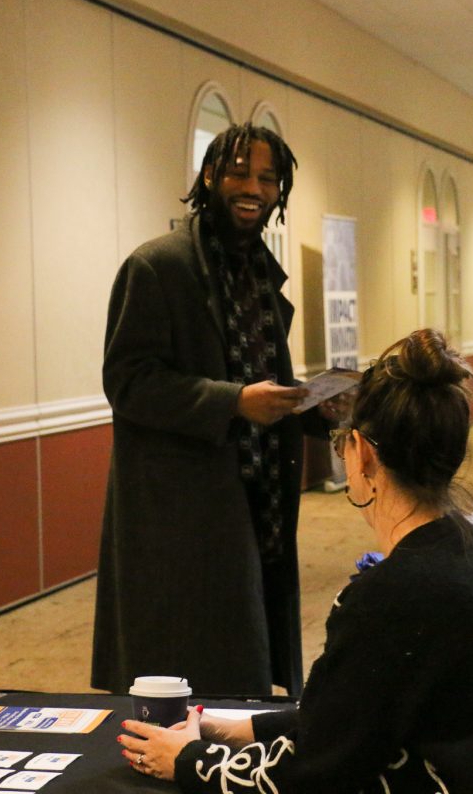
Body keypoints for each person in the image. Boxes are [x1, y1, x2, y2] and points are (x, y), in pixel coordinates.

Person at [117, 329, 473, 793]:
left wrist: (189, 760)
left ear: (360, 454)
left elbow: (314, 774)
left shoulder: (390, 595)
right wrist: (230, 729)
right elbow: (353, 715)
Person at [91, 123, 342, 698]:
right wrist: (233, 402)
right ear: (209, 176)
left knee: (243, 656)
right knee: (185, 666)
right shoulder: (157, 266)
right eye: (239, 173)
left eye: (268, 178)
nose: (254, 188)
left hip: (257, 500)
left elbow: (260, 380)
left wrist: (314, 407)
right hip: (181, 511)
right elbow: (128, 381)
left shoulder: (259, 272)